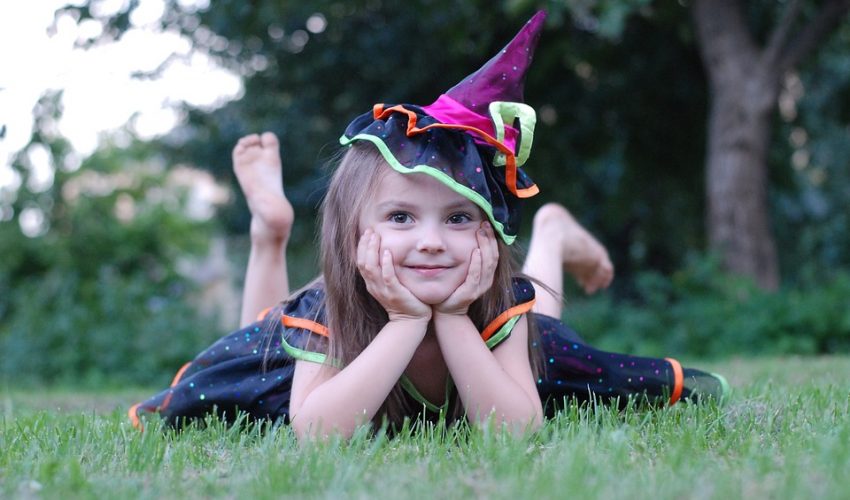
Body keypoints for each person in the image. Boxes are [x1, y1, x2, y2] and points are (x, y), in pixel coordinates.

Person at [129, 11, 726, 437]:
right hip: (324, 347)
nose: (432, 242)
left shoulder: (500, 302)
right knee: (261, 354)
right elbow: (315, 434)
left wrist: (455, 318)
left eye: (459, 217)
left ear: (491, 232)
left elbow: (517, 433)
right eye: (400, 217)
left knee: (544, 334)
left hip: (505, 331)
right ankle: (272, 236)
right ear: (351, 233)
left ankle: (550, 231)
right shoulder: (327, 310)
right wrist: (406, 322)